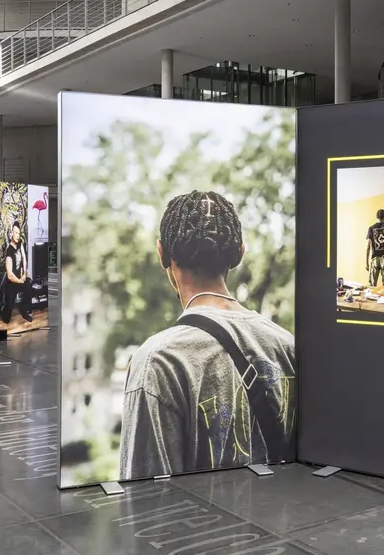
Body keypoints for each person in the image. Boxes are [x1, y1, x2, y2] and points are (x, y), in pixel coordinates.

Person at [118, 190, 296, 481]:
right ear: (240, 252)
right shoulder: (288, 347)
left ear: (162, 253)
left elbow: (145, 504)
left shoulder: (159, 362)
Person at [0, 221, 33, 324]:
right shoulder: (9, 251)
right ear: (11, 234)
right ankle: (3, 310)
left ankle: (24, 309)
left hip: (20, 279)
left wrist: (24, 273)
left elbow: (23, 257)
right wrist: (20, 280)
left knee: (29, 285)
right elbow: (9, 275)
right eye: (16, 233)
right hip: (11, 283)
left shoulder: (20, 243)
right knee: (6, 320)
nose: (18, 235)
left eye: (19, 233)